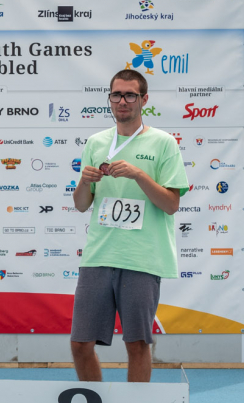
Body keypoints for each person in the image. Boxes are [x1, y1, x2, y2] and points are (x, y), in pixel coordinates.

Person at [70, 68, 189, 382]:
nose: (122, 101)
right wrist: (84, 182)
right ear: (109, 98)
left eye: (130, 95)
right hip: (98, 255)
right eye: (116, 95)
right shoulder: (96, 142)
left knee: (136, 344)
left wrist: (139, 175)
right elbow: (81, 204)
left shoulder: (164, 143)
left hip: (141, 258)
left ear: (144, 99)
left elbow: (171, 204)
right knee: (80, 344)